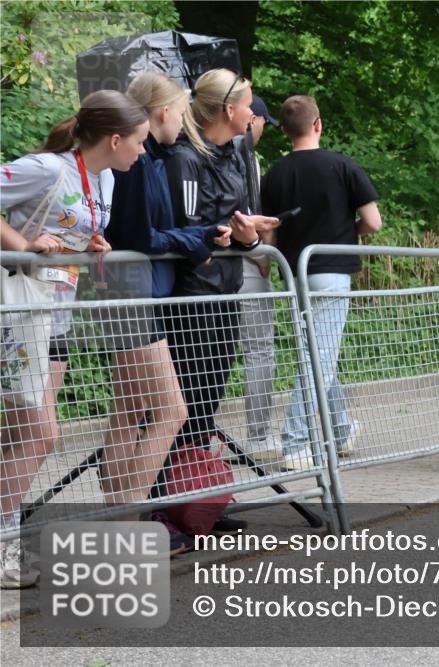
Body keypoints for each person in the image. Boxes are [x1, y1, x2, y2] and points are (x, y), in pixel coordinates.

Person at [1, 90, 149, 588]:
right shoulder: (46, 167)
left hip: (57, 316)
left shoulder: (104, 176)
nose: (143, 152)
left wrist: (87, 243)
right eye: (139, 142)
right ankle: (4, 544)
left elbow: (66, 225)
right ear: (114, 139)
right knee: (40, 432)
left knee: (20, 434)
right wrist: (23, 245)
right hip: (20, 310)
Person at [101, 73, 237, 530]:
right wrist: (196, 239)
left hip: (136, 292)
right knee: (170, 411)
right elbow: (140, 235)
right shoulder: (140, 162)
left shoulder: (148, 159)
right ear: (162, 112)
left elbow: (149, 232)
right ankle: (130, 518)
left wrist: (196, 236)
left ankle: (120, 517)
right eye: (181, 112)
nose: (185, 121)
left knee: (130, 410)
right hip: (136, 295)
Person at [157, 69, 277, 535]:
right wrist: (223, 235)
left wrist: (248, 239)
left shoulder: (237, 152)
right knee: (183, 403)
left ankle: (200, 502)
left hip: (226, 290)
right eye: (248, 104)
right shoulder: (184, 158)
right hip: (191, 298)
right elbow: (185, 229)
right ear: (229, 110)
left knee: (207, 403)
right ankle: (168, 507)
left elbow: (234, 228)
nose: (253, 112)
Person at [261, 94, 382, 471]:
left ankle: (342, 430)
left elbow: (269, 237)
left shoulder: (275, 174)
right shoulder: (343, 166)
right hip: (331, 273)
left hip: (293, 274)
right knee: (320, 359)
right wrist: (351, 232)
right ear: (319, 124)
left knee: (317, 355)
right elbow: (374, 222)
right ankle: (296, 443)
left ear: (283, 130)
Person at [237, 94, 283, 463]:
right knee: (258, 350)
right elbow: (241, 215)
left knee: (213, 353)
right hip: (246, 264)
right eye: (265, 124)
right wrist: (259, 251)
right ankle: (259, 436)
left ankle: (196, 443)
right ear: (254, 120)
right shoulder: (244, 157)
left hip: (213, 268)